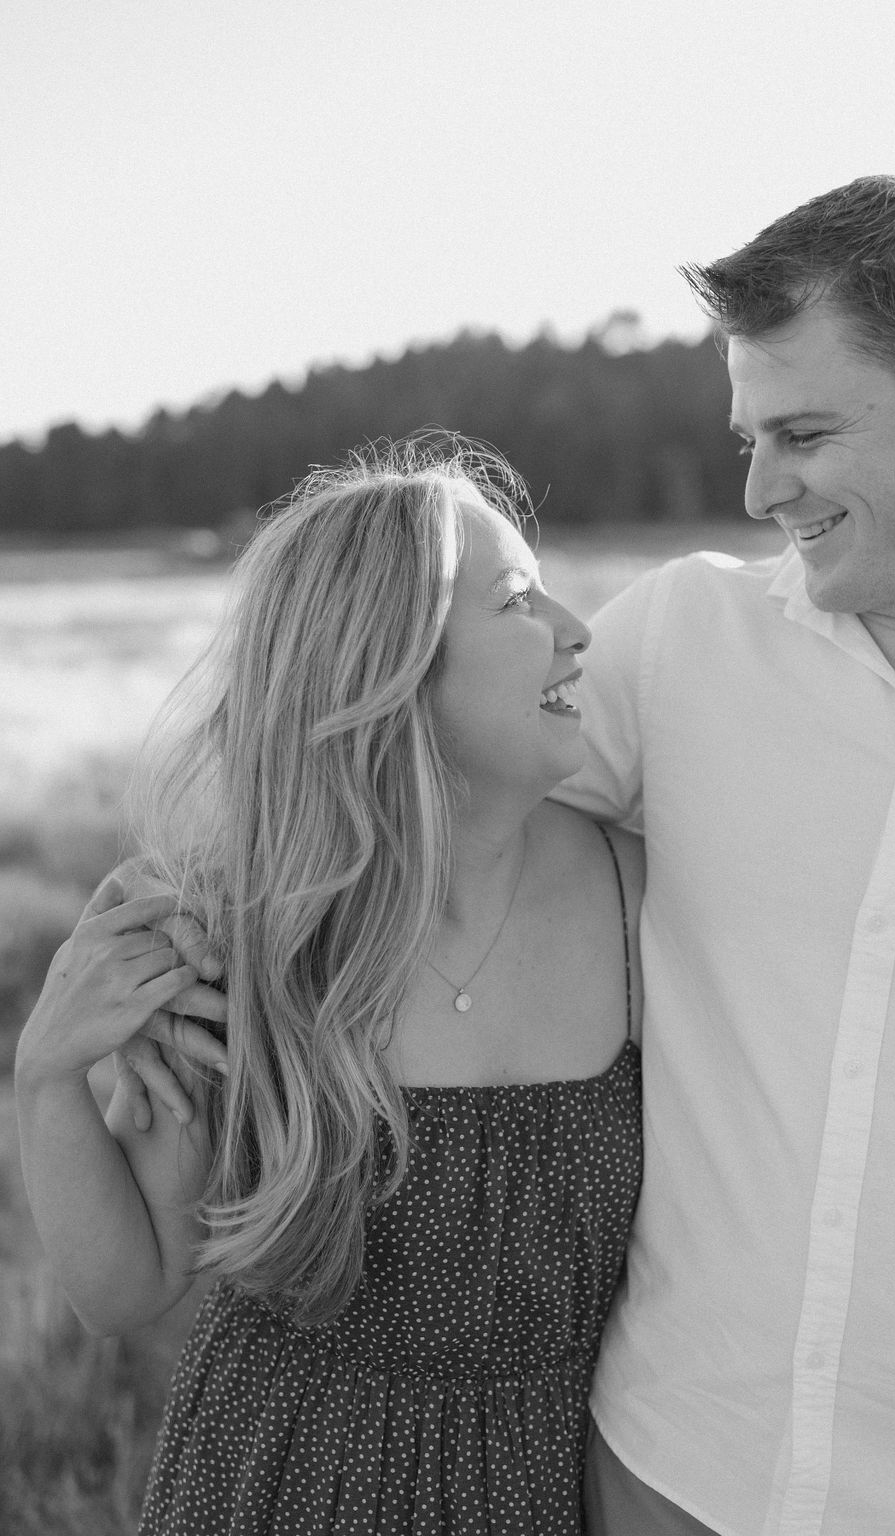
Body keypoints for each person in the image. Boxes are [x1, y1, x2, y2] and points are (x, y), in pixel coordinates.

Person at [15, 436, 644, 1535]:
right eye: (515, 602)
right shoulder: (242, 936)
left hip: (547, 1488)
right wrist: (46, 1082)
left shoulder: (639, 896)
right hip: (274, 1485)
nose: (576, 630)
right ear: (387, 667)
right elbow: (127, 1289)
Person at [561, 174, 895, 1535]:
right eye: (749, 437)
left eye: (806, 433)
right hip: (668, 1466)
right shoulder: (677, 644)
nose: (761, 488)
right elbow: (418, 813)